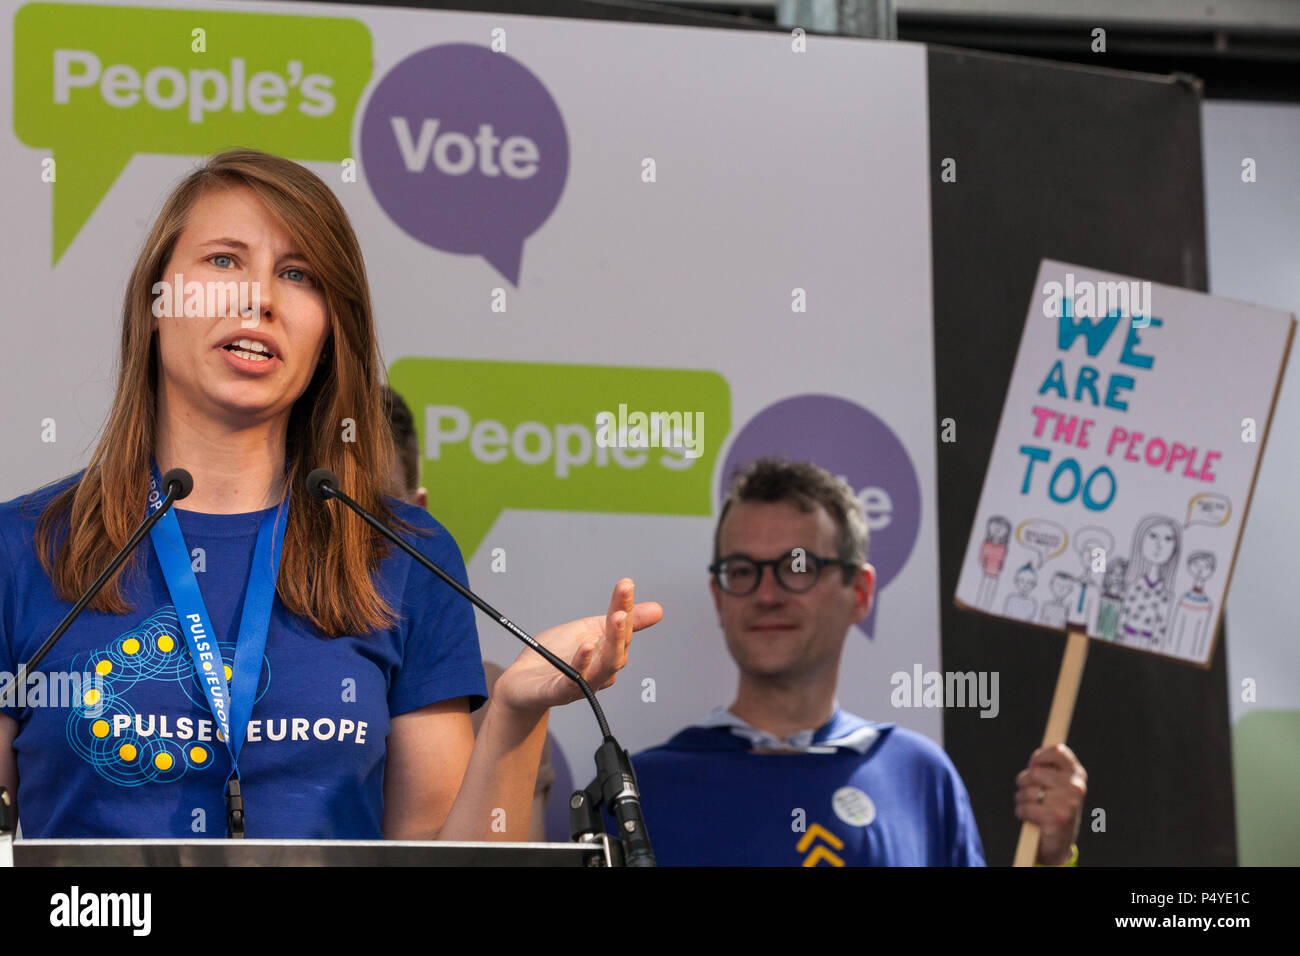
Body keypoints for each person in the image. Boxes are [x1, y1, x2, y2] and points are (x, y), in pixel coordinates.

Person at [0, 149, 661, 841]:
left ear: (329, 332)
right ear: (156, 302)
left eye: (297, 274)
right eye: (224, 261)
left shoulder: (401, 554)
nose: (260, 298)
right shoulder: (21, 549)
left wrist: (516, 714)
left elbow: (441, 874)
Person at [621, 458, 1086, 866]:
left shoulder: (920, 777)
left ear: (860, 593)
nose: (766, 594)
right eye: (742, 570)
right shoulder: (638, 794)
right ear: (719, 598)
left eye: (797, 567)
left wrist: (1050, 860)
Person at [381, 385, 556, 841]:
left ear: (420, 519)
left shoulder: (496, 701)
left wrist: (513, 720)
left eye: (378, 510)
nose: (349, 536)